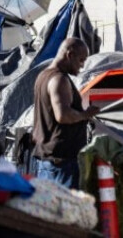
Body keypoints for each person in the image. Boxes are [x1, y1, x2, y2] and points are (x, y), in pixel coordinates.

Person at [32, 37, 99, 188]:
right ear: (70, 55)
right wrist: (85, 114)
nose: (82, 66)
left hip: (48, 161)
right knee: (65, 210)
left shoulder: (43, 76)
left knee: (48, 210)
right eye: (81, 60)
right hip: (62, 164)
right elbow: (62, 115)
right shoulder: (59, 79)